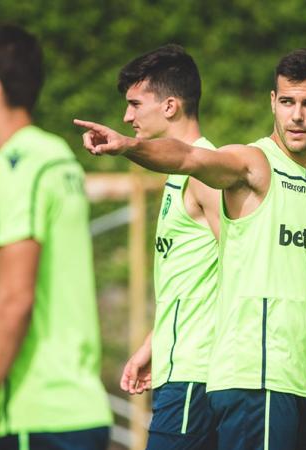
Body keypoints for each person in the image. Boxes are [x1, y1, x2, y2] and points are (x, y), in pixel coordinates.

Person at [75, 48, 306, 450]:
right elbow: (189, 157)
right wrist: (128, 146)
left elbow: (295, 281)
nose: (297, 115)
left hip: (273, 377)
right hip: (254, 377)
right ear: (273, 102)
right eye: (287, 102)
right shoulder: (249, 165)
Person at [0, 24, 111, 450]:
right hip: (67, 416)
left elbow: (15, 299)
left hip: (34, 420)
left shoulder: (21, 164)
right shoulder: (52, 160)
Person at [114, 44, 220, 449]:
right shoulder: (182, 173)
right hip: (182, 368)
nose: (127, 116)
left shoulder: (206, 171)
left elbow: (244, 264)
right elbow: (191, 282)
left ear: (171, 106)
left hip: (197, 375)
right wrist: (153, 345)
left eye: (135, 104)